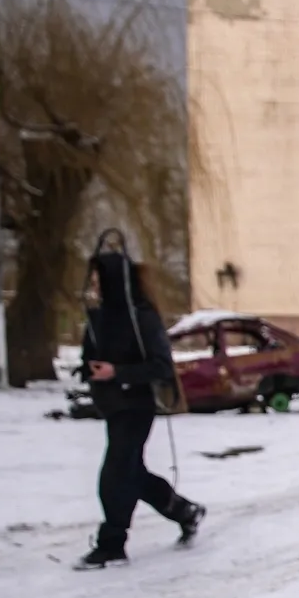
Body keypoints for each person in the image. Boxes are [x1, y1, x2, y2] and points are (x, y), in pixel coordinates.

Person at [76, 236, 205, 568]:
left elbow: (161, 366)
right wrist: (88, 368)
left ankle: (112, 544)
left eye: (98, 280)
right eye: (91, 281)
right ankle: (184, 510)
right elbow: (91, 354)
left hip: (137, 405)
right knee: (132, 472)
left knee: (115, 474)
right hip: (111, 405)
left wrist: (117, 372)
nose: (94, 286)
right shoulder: (98, 316)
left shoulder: (142, 317)